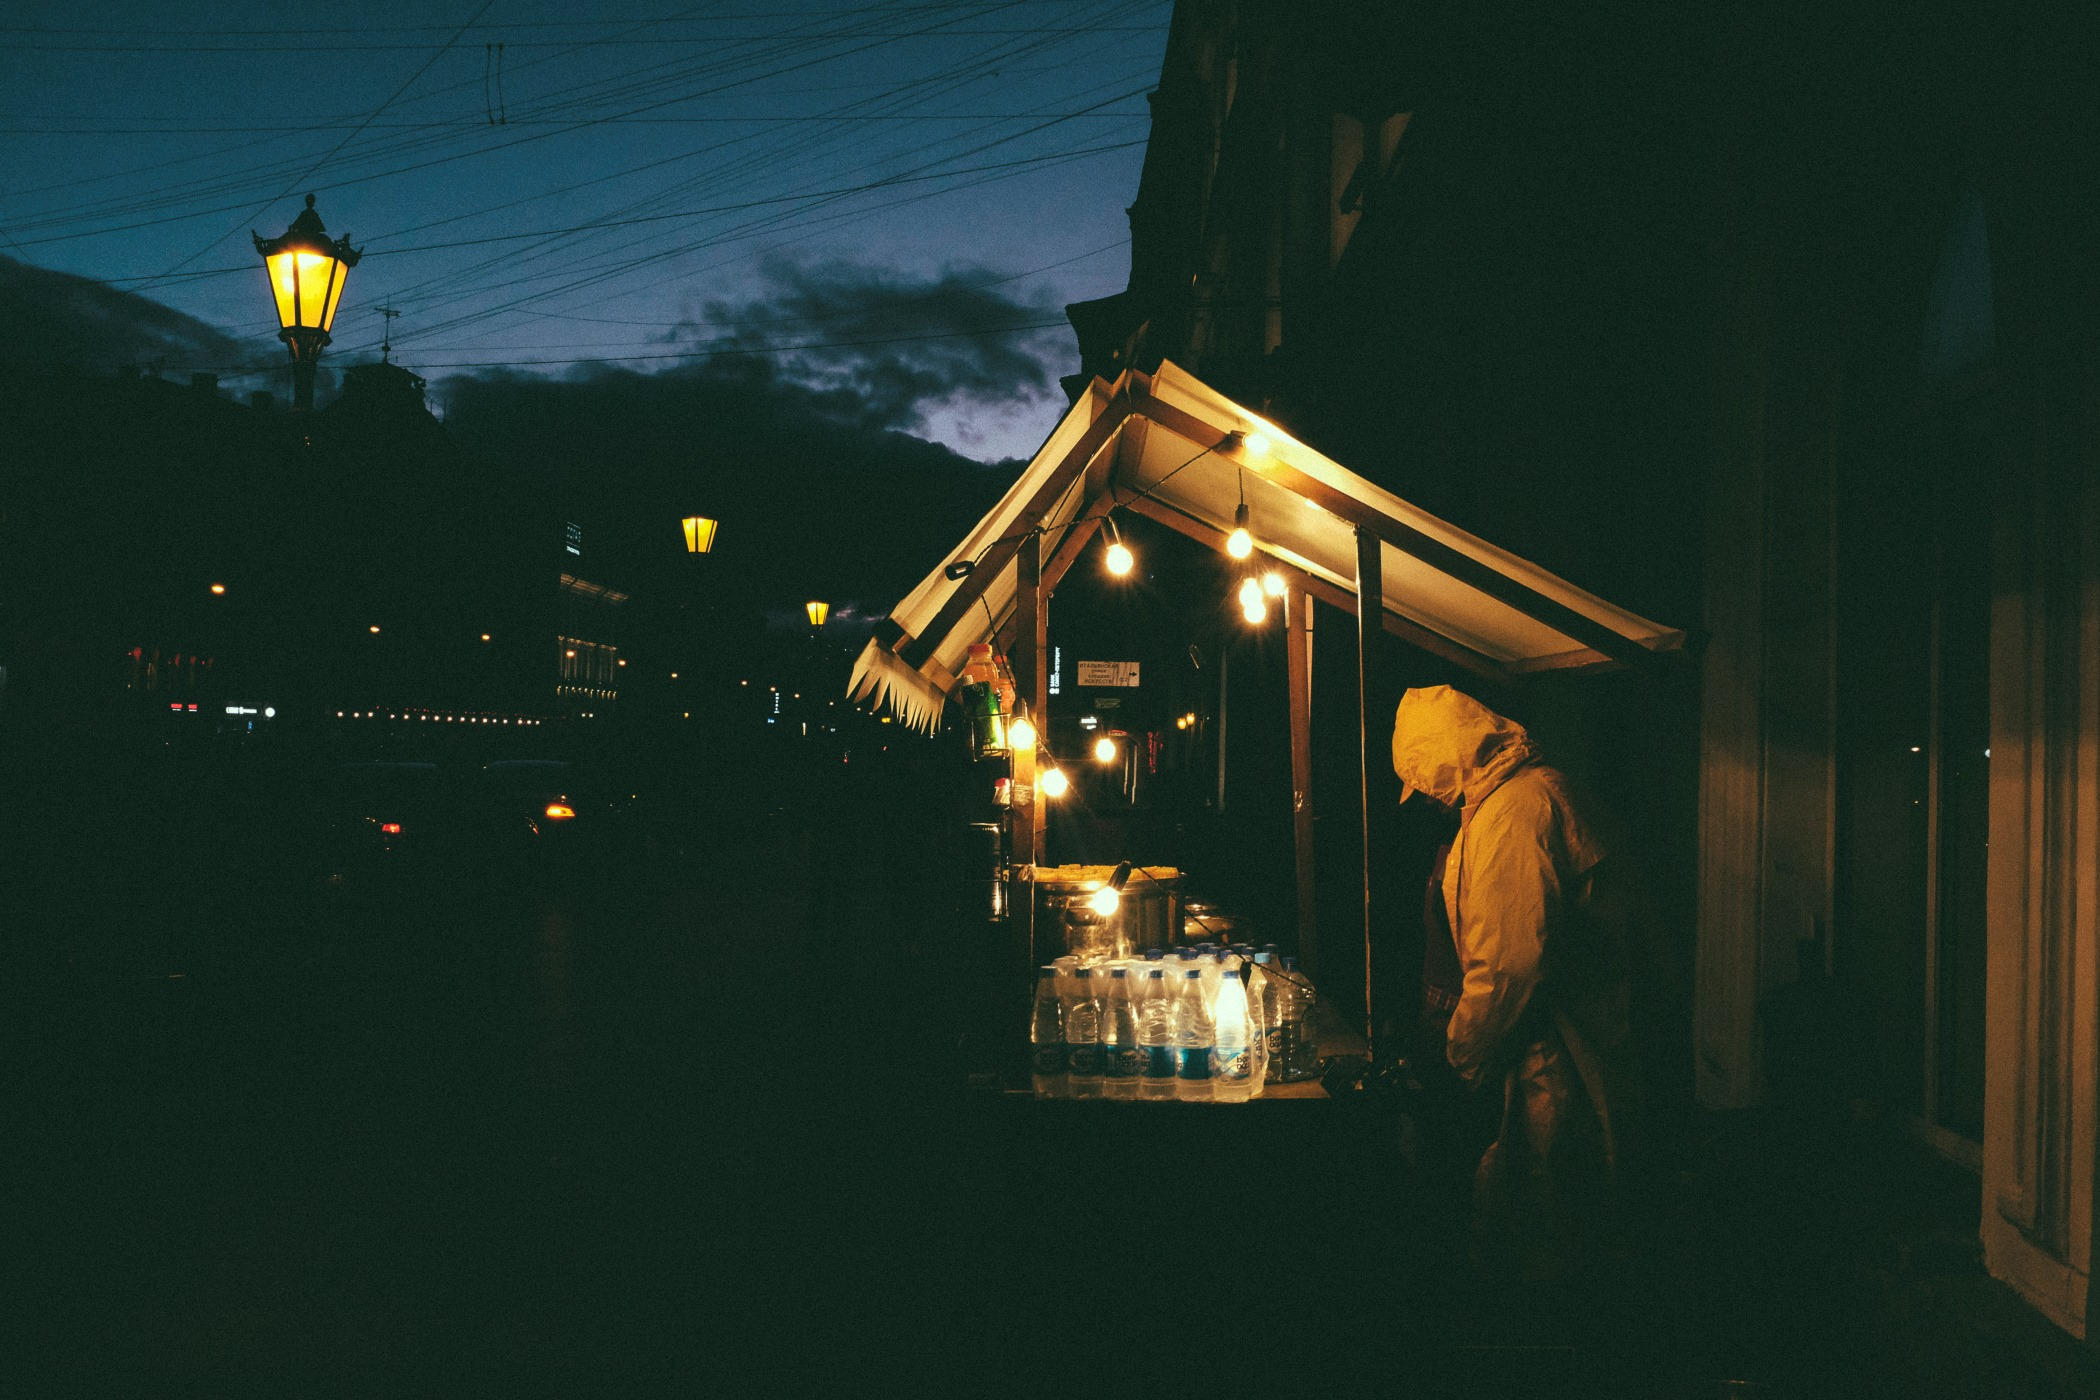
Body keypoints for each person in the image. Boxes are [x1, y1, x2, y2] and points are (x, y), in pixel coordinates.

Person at [1388, 685, 1636, 1281]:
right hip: (1565, 1039)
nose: (1428, 802)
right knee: (1545, 1210)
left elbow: (1508, 968)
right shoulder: (1522, 794)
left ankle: (1540, 1353)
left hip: (1557, 1051)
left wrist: (1459, 1060)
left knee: (1547, 1232)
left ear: (1446, 764)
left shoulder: (1513, 814)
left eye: (1426, 786)